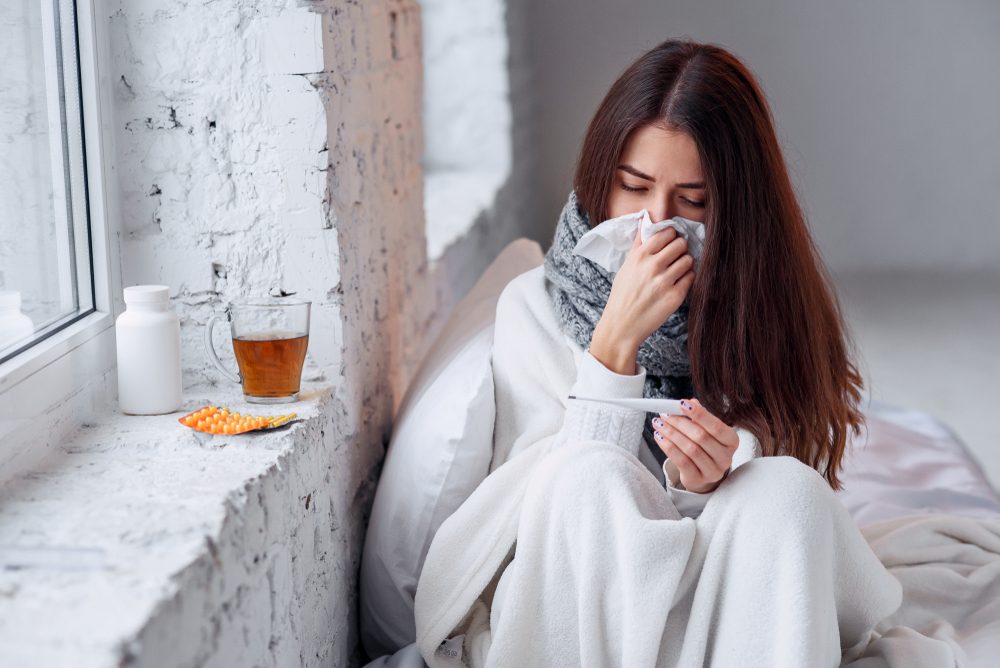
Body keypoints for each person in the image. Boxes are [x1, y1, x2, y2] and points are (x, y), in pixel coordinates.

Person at [413, 38, 911, 667]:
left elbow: (779, 520)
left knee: (787, 489)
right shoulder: (532, 310)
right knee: (586, 473)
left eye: (693, 202)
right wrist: (615, 344)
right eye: (633, 187)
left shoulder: (764, 307)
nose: (656, 223)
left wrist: (722, 469)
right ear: (602, 180)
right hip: (586, 606)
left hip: (726, 600)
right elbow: (552, 515)